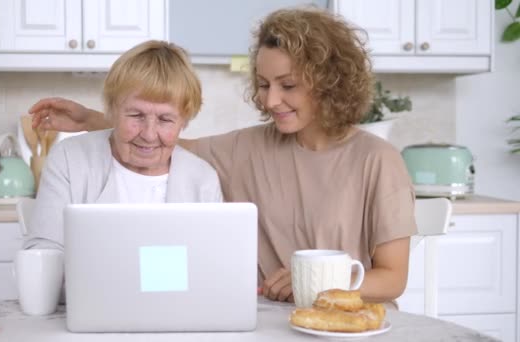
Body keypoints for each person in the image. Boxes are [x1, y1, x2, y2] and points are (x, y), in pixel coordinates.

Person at [28, 6, 417, 304]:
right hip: (276, 321)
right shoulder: (250, 147)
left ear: (331, 82)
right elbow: (164, 143)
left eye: (288, 85)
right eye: (264, 85)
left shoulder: (377, 160)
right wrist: (99, 118)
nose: (271, 100)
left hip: (355, 324)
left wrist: (317, 284)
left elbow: (393, 278)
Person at [24, 40, 223, 250]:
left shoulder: (203, 179)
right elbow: (43, 252)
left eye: (165, 120)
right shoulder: (69, 159)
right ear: (111, 111)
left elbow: (211, 264)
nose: (148, 134)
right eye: (136, 115)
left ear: (184, 121)